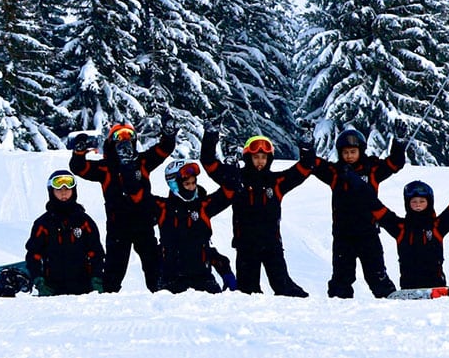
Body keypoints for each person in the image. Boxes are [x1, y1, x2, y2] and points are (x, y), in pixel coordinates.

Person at [68, 113, 176, 292]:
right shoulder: (105, 167)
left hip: (143, 223)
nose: (124, 140)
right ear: (111, 142)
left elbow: (164, 150)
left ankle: (162, 298)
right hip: (118, 226)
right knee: (114, 270)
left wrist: (168, 133)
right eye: (119, 136)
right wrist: (79, 152)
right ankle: (108, 301)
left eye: (129, 135)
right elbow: (79, 168)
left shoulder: (142, 161)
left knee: (153, 267)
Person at [199, 130, 312, 297]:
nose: (260, 161)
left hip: (272, 245)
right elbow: (209, 163)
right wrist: (210, 135)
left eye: (264, 157)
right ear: (248, 157)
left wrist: (307, 148)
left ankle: (303, 316)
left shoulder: (277, 182)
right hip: (246, 246)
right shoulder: (236, 179)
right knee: (247, 293)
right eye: (256, 157)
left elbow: (303, 169)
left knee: (284, 288)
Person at [305, 127, 408, 298]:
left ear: (361, 151)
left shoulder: (372, 169)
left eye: (353, 152)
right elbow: (312, 164)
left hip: (368, 232)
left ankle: (391, 304)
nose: (349, 156)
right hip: (343, 235)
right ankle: (338, 306)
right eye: (345, 152)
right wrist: (307, 147)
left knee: (376, 275)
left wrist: (399, 143)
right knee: (341, 277)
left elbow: (395, 164)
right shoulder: (335, 172)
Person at [374, 165, 449, 290]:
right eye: (414, 202)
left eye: (422, 201)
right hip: (409, 290)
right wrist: (356, 183)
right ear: (407, 203)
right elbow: (376, 208)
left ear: (429, 202)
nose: (418, 205)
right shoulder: (400, 227)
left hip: (436, 288)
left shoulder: (438, 226)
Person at [153, 160, 234, 293]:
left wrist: (226, 271)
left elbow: (229, 192)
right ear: (175, 185)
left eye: (193, 183)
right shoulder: (163, 208)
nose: (192, 187)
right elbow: (137, 197)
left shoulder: (203, 206)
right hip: (171, 281)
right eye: (187, 184)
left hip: (203, 278)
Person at [24, 170, 105, 296]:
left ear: (74, 191)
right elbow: (33, 255)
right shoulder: (43, 224)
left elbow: (96, 253)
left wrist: (97, 278)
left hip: (84, 291)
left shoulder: (84, 222)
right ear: (51, 191)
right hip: (52, 290)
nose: (64, 192)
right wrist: (39, 281)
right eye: (59, 189)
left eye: (68, 188)